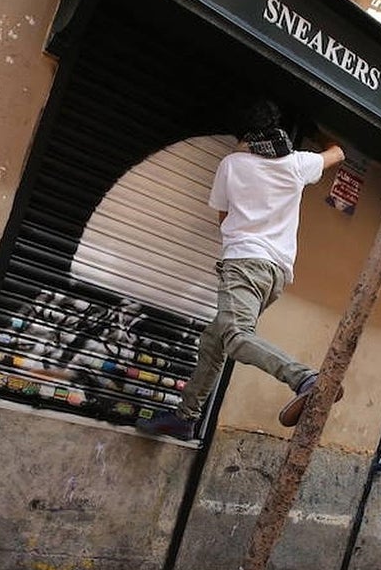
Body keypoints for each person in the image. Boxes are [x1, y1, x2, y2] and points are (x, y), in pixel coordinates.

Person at [137, 100, 345, 441]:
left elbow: (224, 217)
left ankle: (305, 378)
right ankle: (186, 418)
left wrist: (239, 240)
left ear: (244, 136)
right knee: (213, 343)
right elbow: (338, 154)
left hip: (244, 264)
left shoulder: (232, 164)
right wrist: (317, 133)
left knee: (235, 339)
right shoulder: (296, 164)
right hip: (275, 274)